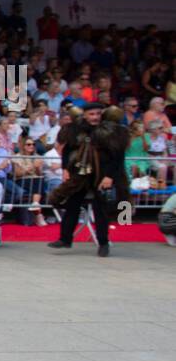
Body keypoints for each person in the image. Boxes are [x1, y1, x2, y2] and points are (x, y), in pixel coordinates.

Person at [48, 101, 129, 257]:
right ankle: (65, 239)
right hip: (80, 175)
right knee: (72, 205)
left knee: (101, 211)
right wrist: (65, 168)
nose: (95, 117)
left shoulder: (110, 131)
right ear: (84, 115)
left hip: (102, 175)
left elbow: (118, 157)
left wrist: (109, 176)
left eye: (98, 114)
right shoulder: (76, 130)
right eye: (91, 114)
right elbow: (67, 151)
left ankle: (103, 244)